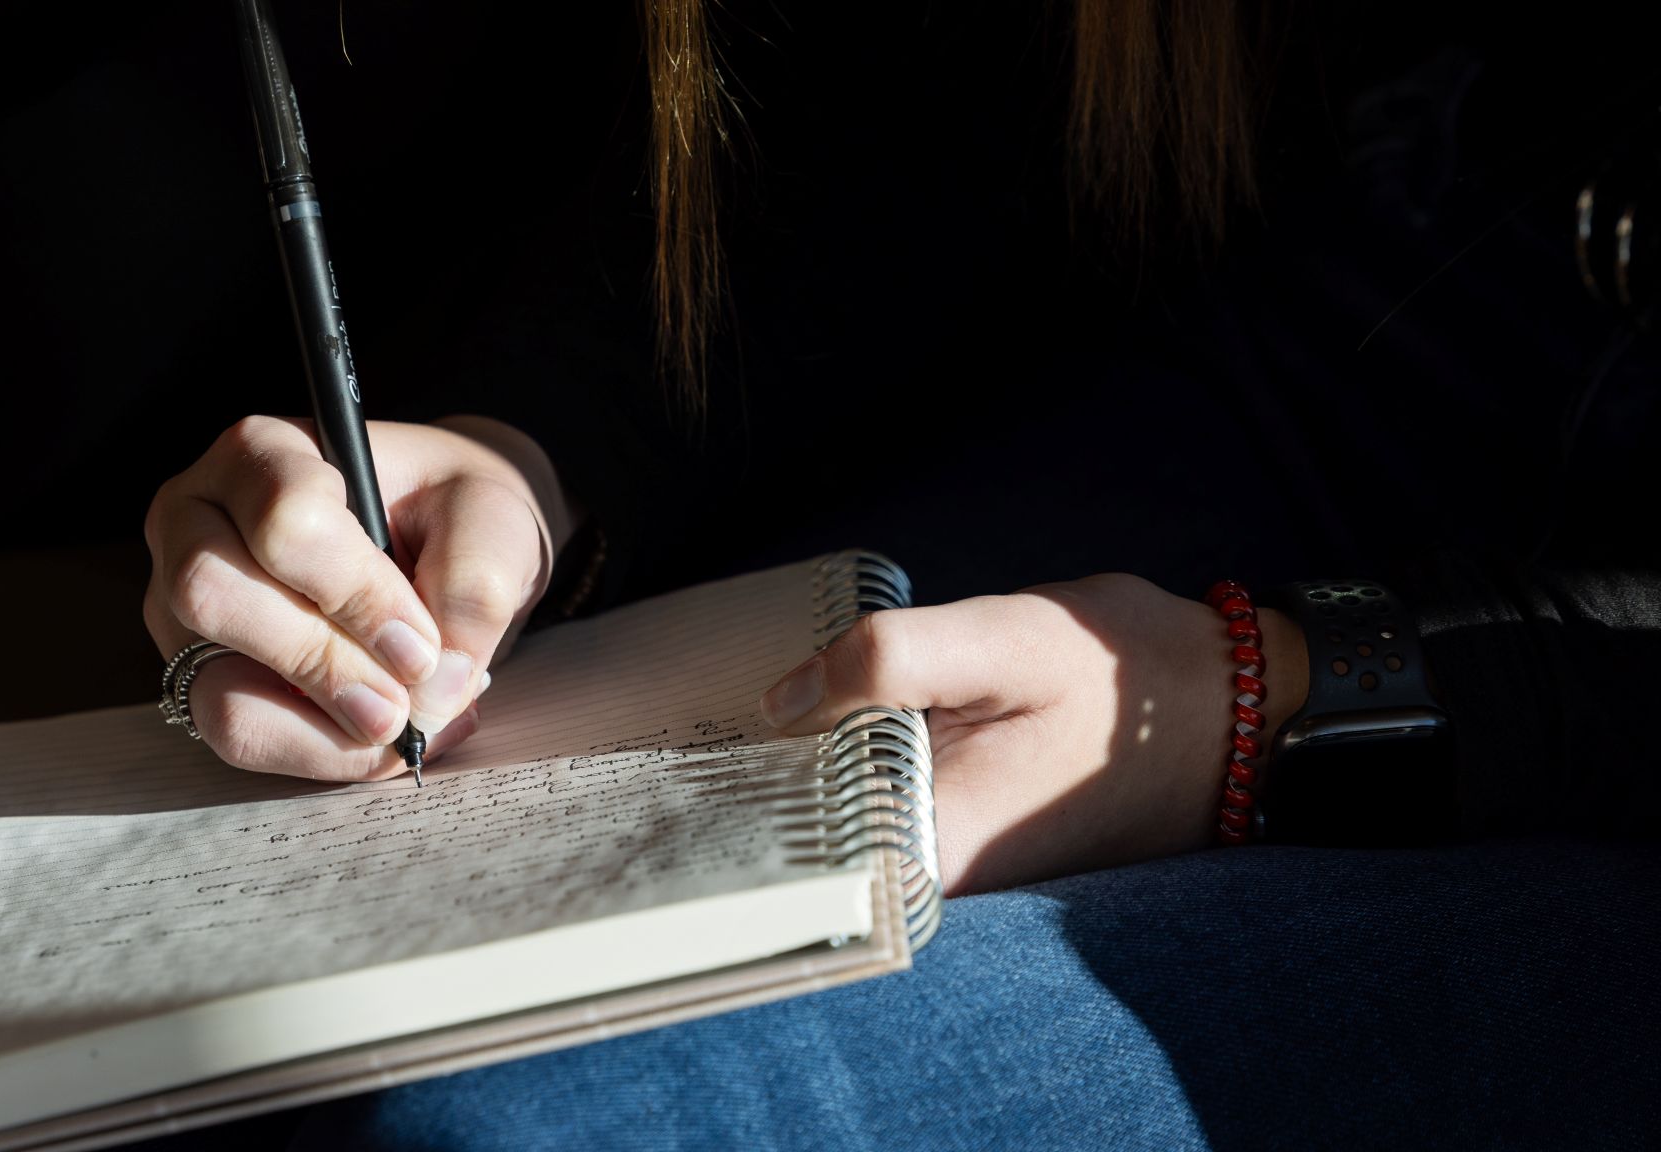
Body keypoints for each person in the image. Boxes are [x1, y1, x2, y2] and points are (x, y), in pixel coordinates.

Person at [133, 1, 1659, 1146]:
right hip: (1400, 235)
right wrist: (537, 453)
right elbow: (936, 86)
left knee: (499, 1122)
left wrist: (1265, 701)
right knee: (254, 1017)